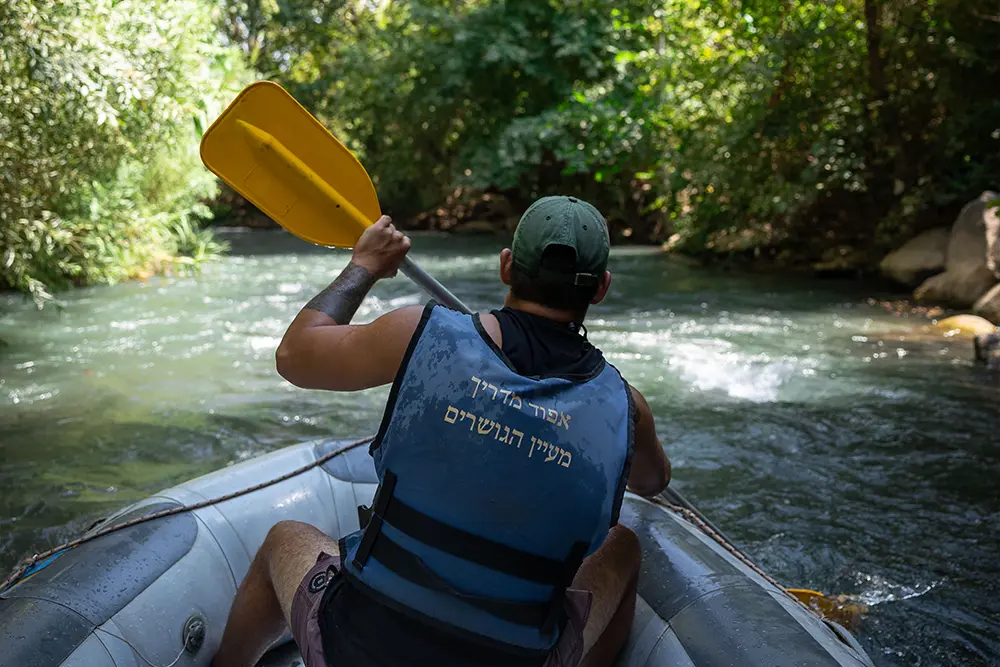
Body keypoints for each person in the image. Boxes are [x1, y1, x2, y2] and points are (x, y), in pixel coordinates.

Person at [213, 196, 671, 667]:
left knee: (285, 538)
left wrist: (365, 266)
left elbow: (295, 356)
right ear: (601, 288)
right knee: (622, 546)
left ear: (507, 267)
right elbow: (652, 481)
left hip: (359, 649)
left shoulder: (420, 332)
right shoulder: (625, 408)